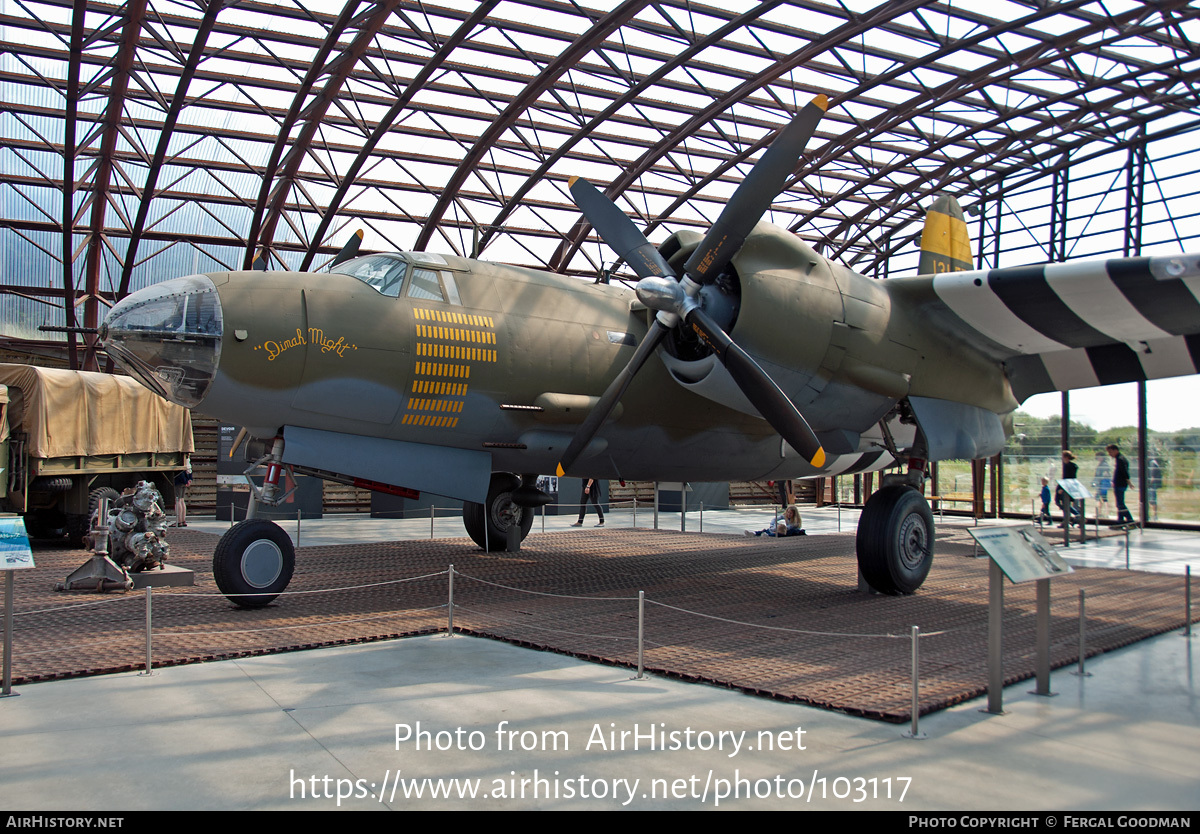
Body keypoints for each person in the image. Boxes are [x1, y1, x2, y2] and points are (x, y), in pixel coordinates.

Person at [1108, 443, 1134, 524]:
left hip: (1120, 484)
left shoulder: (1120, 459)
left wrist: (1129, 482)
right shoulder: (1120, 458)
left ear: (1115, 450)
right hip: (1119, 484)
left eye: (1110, 452)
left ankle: (1130, 520)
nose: (1109, 454)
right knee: (1119, 504)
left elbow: (1124, 472)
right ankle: (1120, 521)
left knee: (1120, 504)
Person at [173, 455, 193, 527]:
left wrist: (185, 481)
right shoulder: (187, 459)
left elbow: (180, 471)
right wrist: (189, 479)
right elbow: (189, 469)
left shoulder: (181, 459)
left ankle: (179, 521)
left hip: (179, 481)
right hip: (186, 479)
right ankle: (183, 520)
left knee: (178, 500)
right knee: (182, 500)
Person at [1092, 452, 1111, 518]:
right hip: (1100, 483)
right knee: (1100, 498)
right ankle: (1100, 513)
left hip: (1102, 483)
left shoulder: (1104, 464)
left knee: (1103, 498)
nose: (1098, 458)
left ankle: (1104, 513)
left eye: (1099, 456)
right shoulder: (1101, 464)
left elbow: (1105, 474)